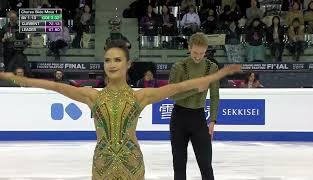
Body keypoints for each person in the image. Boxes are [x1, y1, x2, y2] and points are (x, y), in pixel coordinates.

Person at [0, 40, 241, 179]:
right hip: (102, 164)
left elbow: (180, 86)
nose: (112, 64)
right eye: (107, 60)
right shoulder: (92, 96)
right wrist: (18, 79)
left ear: (128, 64)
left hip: (131, 163)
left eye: (117, 60)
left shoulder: (141, 96)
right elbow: (54, 86)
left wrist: (218, 74)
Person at [168, 32, 219, 180]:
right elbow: (171, 95)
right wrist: (195, 88)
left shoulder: (212, 68)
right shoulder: (179, 67)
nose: (198, 56)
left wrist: (213, 120)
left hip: (199, 119)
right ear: (189, 48)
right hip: (179, 119)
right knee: (179, 167)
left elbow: (215, 95)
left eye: (202, 53)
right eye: (195, 52)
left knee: (206, 166)